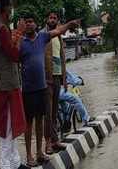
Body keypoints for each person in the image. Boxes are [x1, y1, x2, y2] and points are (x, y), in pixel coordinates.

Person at [19, 13, 80, 165]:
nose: (29, 24)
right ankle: (29, 155)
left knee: (41, 119)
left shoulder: (42, 38)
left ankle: (40, 152)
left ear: (35, 24)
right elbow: (12, 56)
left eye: (31, 21)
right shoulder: (20, 42)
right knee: (29, 123)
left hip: (43, 86)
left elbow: (58, 31)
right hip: (28, 89)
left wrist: (69, 24)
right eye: (26, 22)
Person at [0, 0, 29, 169]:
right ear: (6, 8)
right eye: (11, 5)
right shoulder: (3, 29)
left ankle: (14, 162)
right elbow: (15, 55)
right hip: (6, 86)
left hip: (4, 84)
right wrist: (20, 32)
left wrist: (14, 35)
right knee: (7, 129)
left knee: (10, 126)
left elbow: (7, 49)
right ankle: (7, 165)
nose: (12, 8)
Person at [41, 11, 74, 154]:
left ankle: (55, 141)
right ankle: (47, 143)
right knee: (47, 113)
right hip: (46, 78)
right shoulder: (42, 35)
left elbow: (61, 57)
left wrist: (64, 78)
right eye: (50, 17)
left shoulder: (59, 36)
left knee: (55, 111)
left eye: (54, 18)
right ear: (46, 19)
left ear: (57, 21)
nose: (52, 20)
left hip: (57, 77)